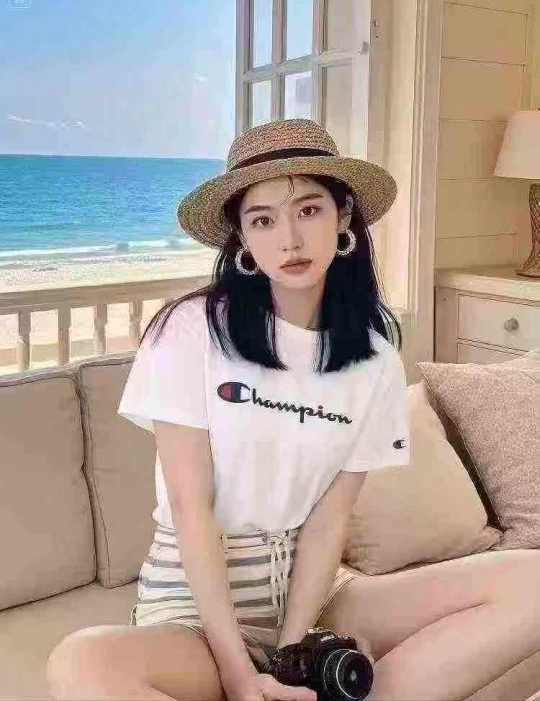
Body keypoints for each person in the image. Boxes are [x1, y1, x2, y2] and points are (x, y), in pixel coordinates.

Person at [46, 119, 540, 701]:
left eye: (308, 210)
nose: (290, 239)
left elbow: (330, 520)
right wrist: (238, 673)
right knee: (81, 662)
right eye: (262, 220)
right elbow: (190, 508)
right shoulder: (191, 330)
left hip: (315, 594)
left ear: (344, 216)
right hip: (195, 605)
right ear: (242, 239)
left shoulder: (374, 358)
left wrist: (293, 654)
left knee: (531, 579)